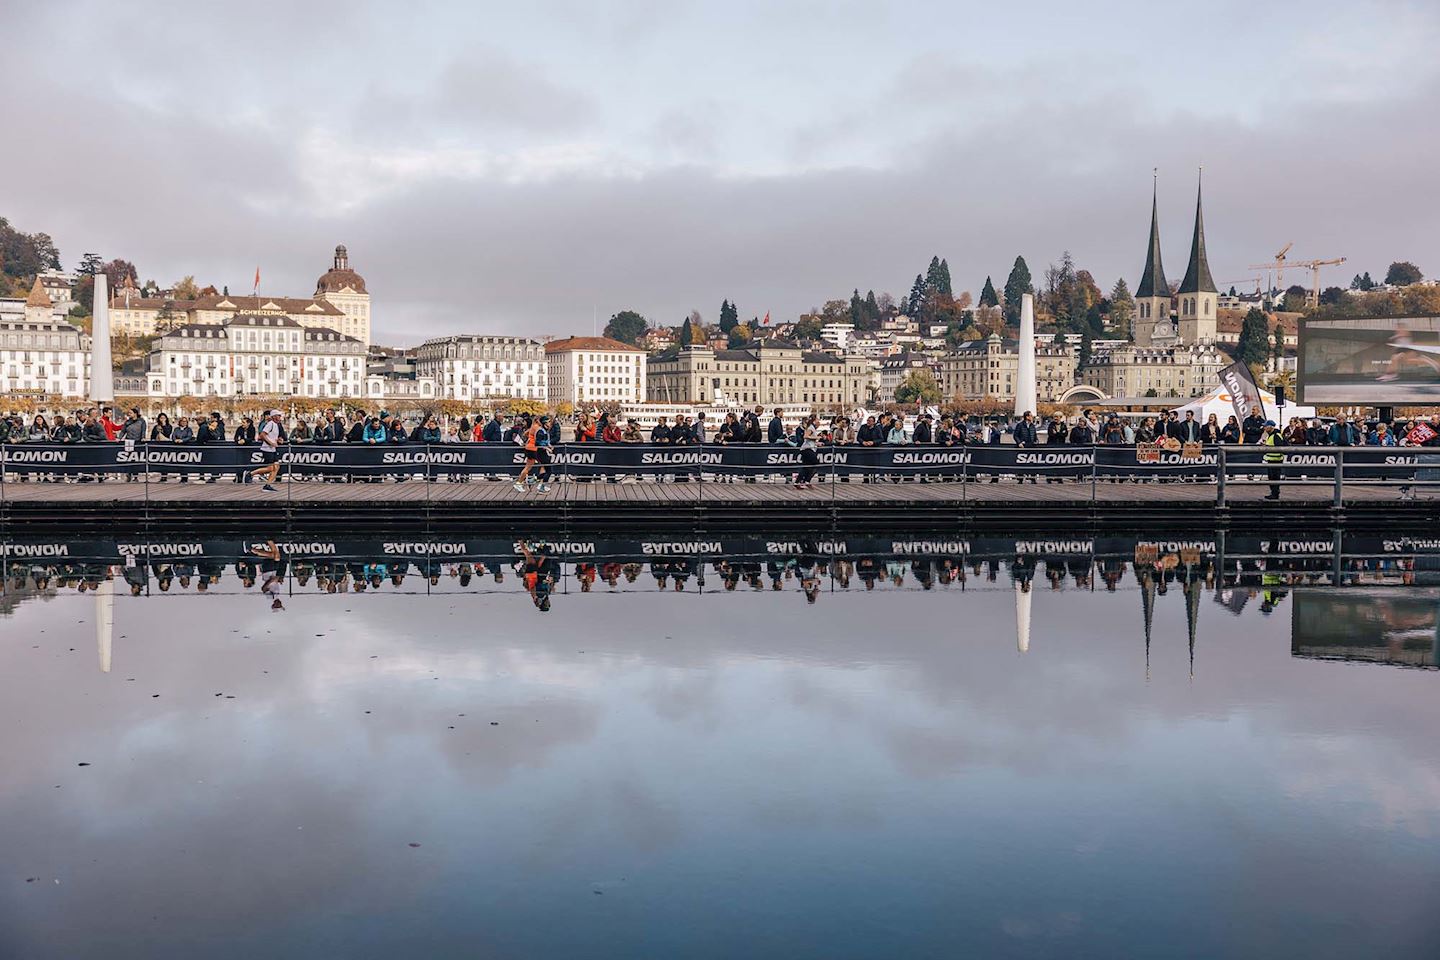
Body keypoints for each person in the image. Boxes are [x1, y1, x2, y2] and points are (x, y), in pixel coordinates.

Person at [514, 414, 553, 492]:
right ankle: (538, 483)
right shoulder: (537, 428)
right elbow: (538, 440)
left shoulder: (533, 426)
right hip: (534, 449)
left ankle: (524, 482)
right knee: (543, 466)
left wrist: (528, 440)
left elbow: (525, 434)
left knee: (531, 467)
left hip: (529, 448)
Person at [249, 409, 284, 491]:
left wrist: (279, 440)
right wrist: (271, 443)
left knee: (276, 467)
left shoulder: (276, 425)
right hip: (267, 449)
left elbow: (272, 436)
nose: (280, 417)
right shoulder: (270, 424)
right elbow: (262, 435)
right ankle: (250, 474)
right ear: (274, 417)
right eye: (279, 416)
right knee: (271, 468)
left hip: (273, 449)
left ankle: (268, 485)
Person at [1259, 420, 1284, 500]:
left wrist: (1266, 447)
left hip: (1276, 459)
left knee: (1274, 477)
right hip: (1272, 459)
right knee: (1272, 478)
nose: (1264, 428)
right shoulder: (1271, 435)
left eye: (1266, 426)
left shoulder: (1276, 435)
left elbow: (1280, 446)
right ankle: (1273, 493)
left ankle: (1275, 494)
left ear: (1271, 427)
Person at [795, 414, 820, 489]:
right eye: (817, 420)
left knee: (807, 466)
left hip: (808, 448)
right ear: (814, 420)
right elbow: (805, 436)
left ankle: (799, 481)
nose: (819, 421)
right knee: (814, 464)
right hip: (807, 449)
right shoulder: (811, 427)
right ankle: (806, 480)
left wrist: (817, 443)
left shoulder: (811, 427)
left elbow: (808, 440)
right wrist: (816, 437)